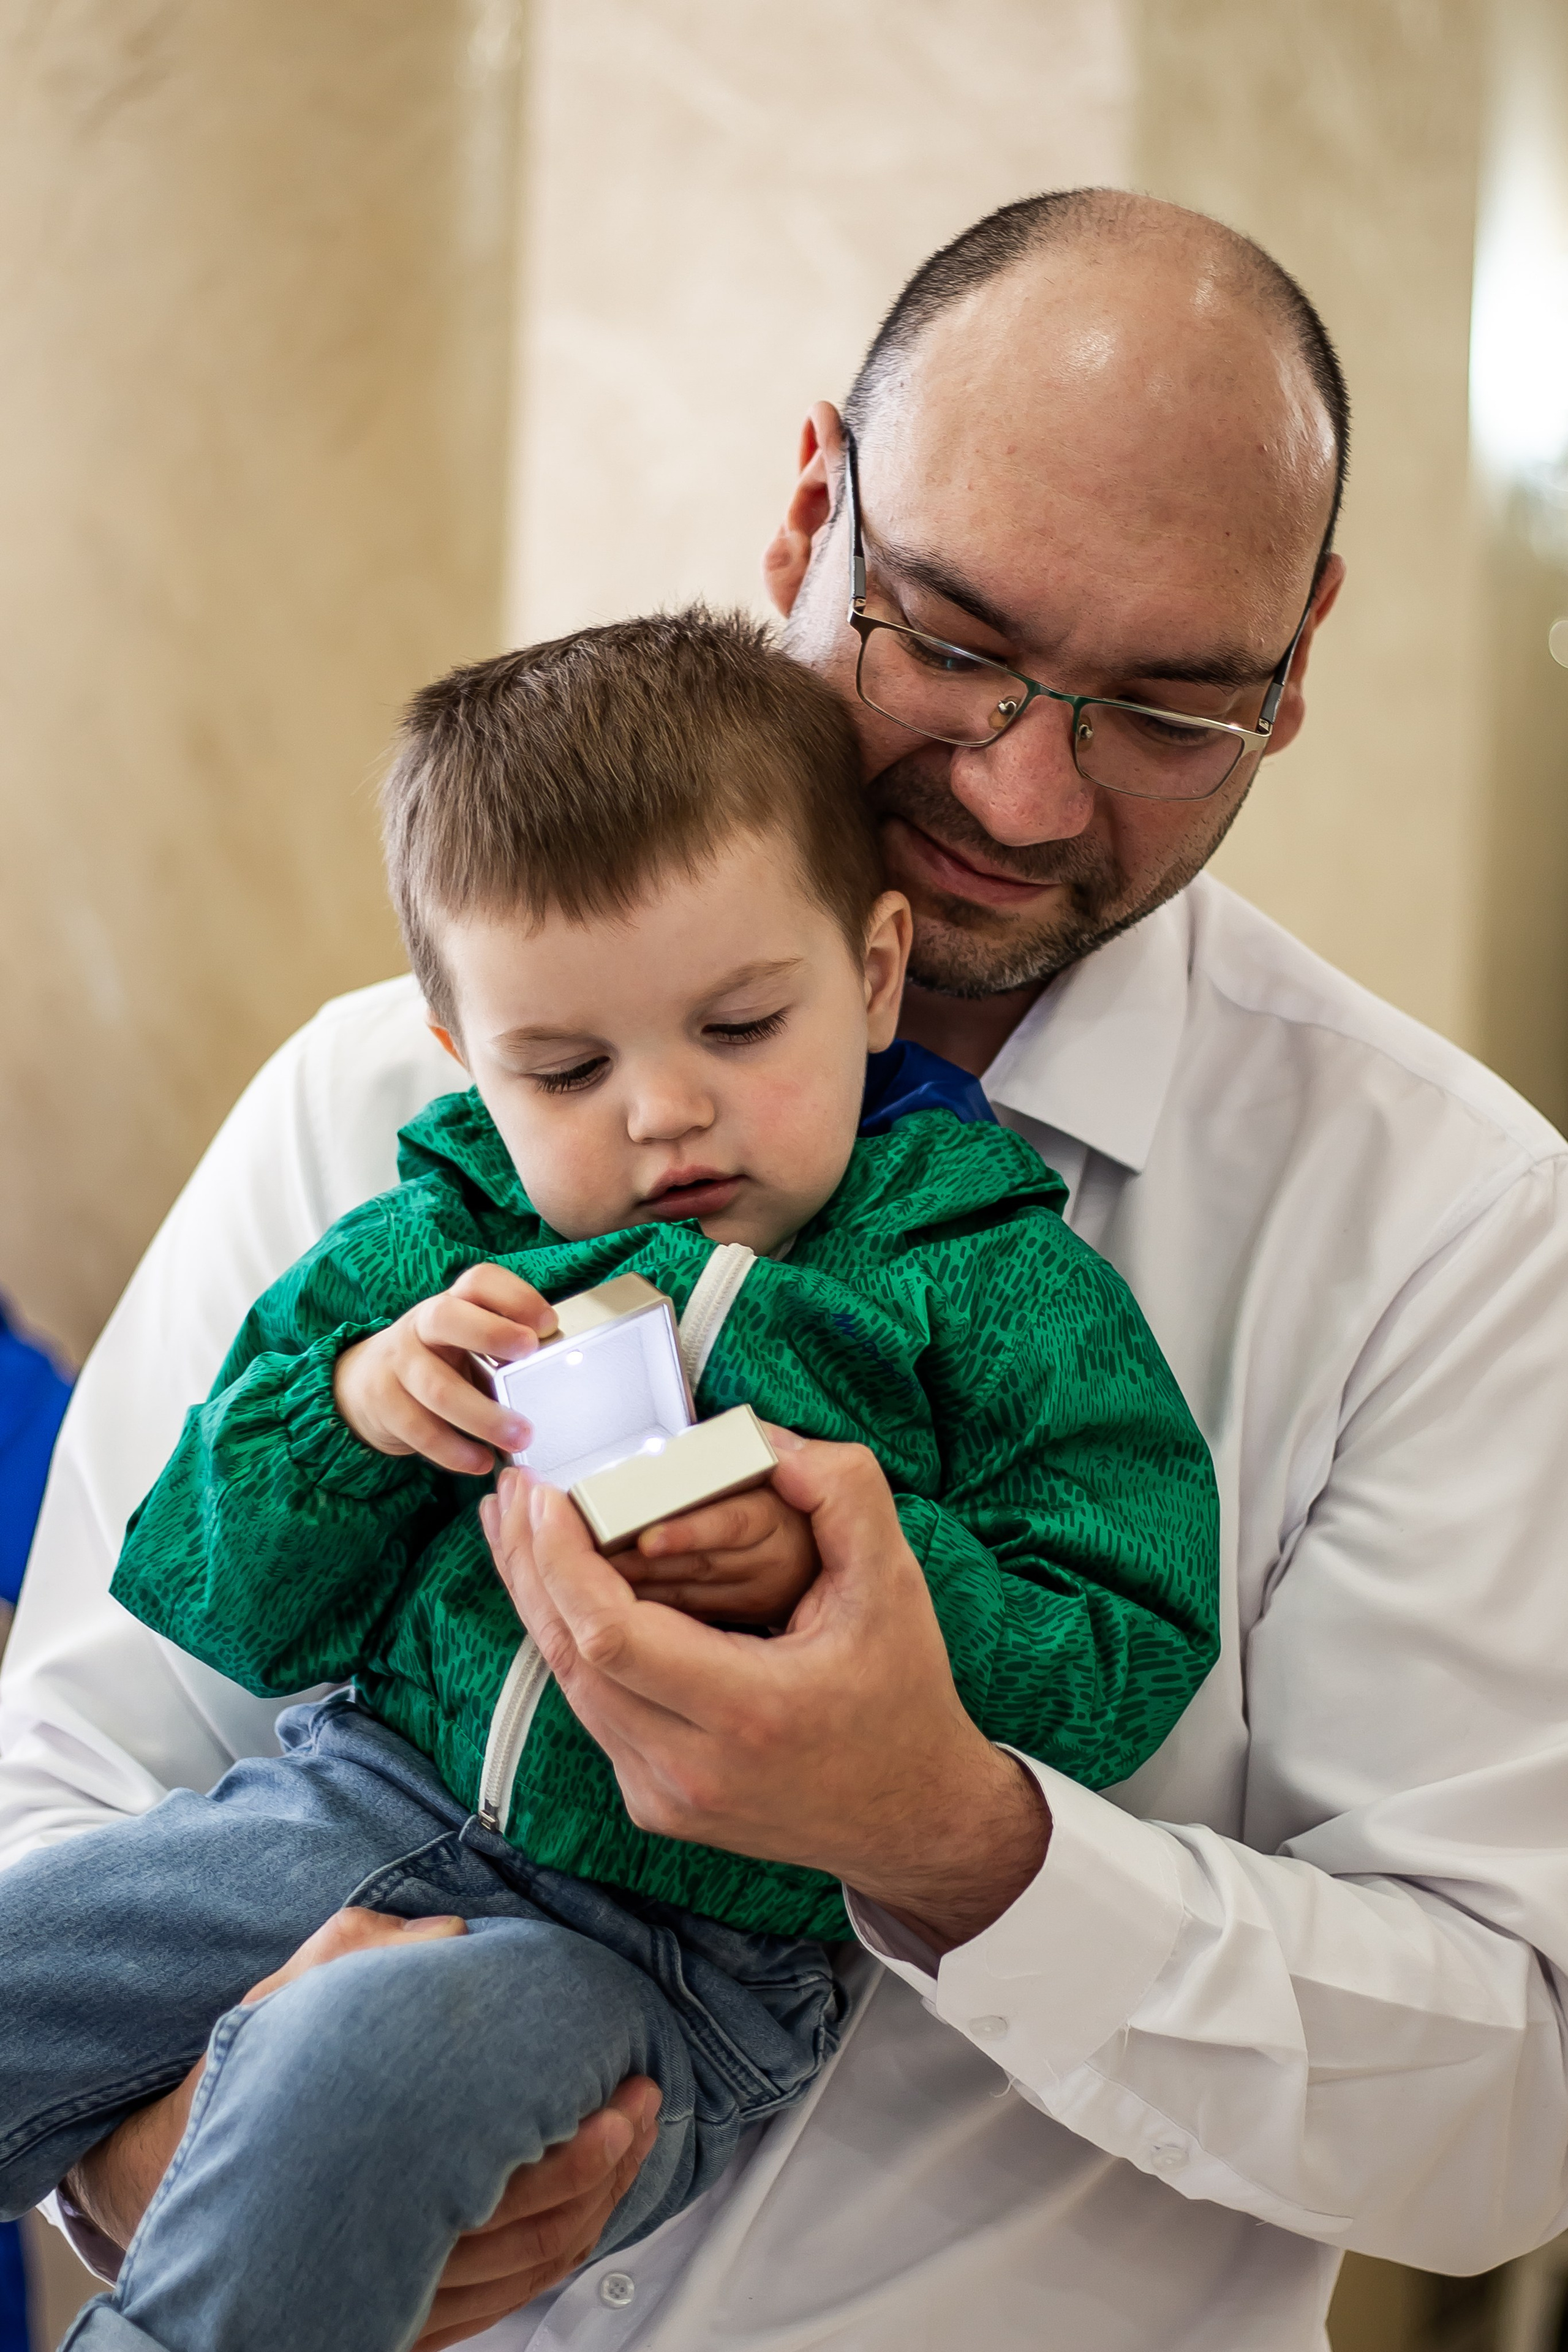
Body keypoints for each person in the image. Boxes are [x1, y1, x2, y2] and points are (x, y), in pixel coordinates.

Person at [4, 185, 1567, 2352]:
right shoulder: (391, 1104)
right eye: (955, 641)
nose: (1027, 789)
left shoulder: (1452, 1232)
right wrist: (150, 2162)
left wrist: (955, 1835)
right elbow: (77, 1761)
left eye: (1168, 708)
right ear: (813, 508)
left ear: (1297, 670)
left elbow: (1509, 2107)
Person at [0, 611, 1218, 2350]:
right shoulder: (424, 1251)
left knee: (355, 2066)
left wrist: (843, 1574)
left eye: (740, 1026)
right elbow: (220, 1598)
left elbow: (1125, 1635)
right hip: (338, 1811)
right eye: (566, 1069)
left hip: (673, 1956)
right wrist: (355, 1415)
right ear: (460, 1044)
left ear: (875, 974)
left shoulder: (989, 1279)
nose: (664, 1117)